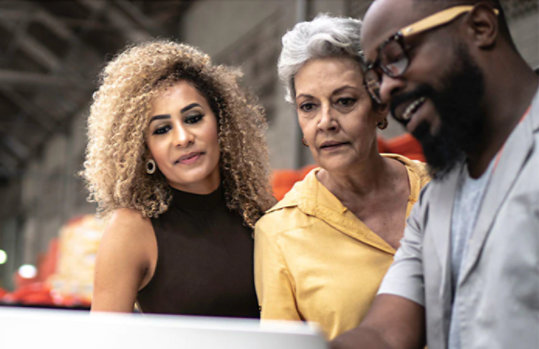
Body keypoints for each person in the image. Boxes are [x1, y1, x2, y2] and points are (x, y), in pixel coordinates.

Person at [332, 0, 539, 348]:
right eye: (374, 78)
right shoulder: (435, 199)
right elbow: (385, 334)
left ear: (481, 26)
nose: (384, 90)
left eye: (394, 56)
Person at [254, 14, 430, 340]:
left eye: (344, 101)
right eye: (308, 107)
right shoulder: (279, 231)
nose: (325, 122)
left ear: (379, 106)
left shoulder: (437, 187)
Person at [82, 40, 275, 316]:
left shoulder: (261, 215)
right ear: (145, 151)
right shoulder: (132, 229)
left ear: (221, 124)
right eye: (162, 130)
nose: (183, 138)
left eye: (193, 118)